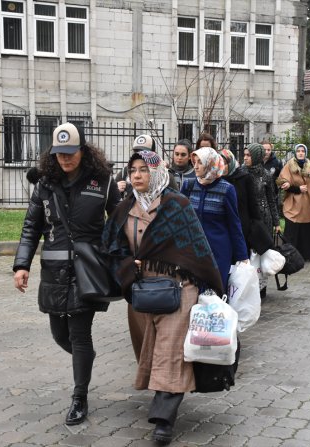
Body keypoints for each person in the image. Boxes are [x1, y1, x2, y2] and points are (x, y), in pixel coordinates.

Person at [102, 150, 223, 445]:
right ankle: (162, 396)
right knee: (150, 349)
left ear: (157, 172)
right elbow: (111, 249)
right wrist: (130, 267)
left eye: (144, 169)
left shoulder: (177, 205)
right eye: (133, 171)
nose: (137, 175)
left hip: (179, 289)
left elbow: (197, 247)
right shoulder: (124, 208)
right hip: (142, 292)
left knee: (170, 351)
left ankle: (163, 419)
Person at [12, 122, 120, 426]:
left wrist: (120, 257)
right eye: (60, 154)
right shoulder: (45, 184)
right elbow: (31, 227)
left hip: (88, 270)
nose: (65, 159)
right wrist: (22, 265)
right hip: (55, 271)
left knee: (79, 333)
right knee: (60, 335)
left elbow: (121, 222)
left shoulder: (103, 181)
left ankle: (79, 397)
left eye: (70, 153)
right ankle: (83, 359)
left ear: (82, 152)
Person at [181, 147, 249, 290]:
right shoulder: (189, 185)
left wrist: (242, 256)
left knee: (216, 294)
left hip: (219, 251)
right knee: (193, 294)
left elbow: (234, 224)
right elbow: (181, 220)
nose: (196, 165)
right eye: (195, 161)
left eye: (200, 162)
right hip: (194, 250)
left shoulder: (226, 189)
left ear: (210, 163)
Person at [276, 144, 310, 261]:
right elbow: (282, 182)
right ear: (295, 153)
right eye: (298, 151)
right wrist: (296, 188)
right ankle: (290, 255)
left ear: (306, 153)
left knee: (307, 231)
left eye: (303, 151)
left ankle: (306, 254)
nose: (301, 153)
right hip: (294, 204)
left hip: (309, 205)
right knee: (292, 230)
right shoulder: (288, 166)